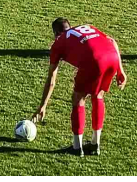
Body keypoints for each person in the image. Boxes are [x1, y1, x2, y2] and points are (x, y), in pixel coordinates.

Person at [31, 18, 127, 157]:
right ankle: (95, 144)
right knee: (98, 95)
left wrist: (43, 106)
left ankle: (77, 147)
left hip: (93, 60)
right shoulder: (85, 27)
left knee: (78, 99)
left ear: (56, 33)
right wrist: (120, 70)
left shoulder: (58, 43)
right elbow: (112, 41)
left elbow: (51, 80)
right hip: (112, 57)